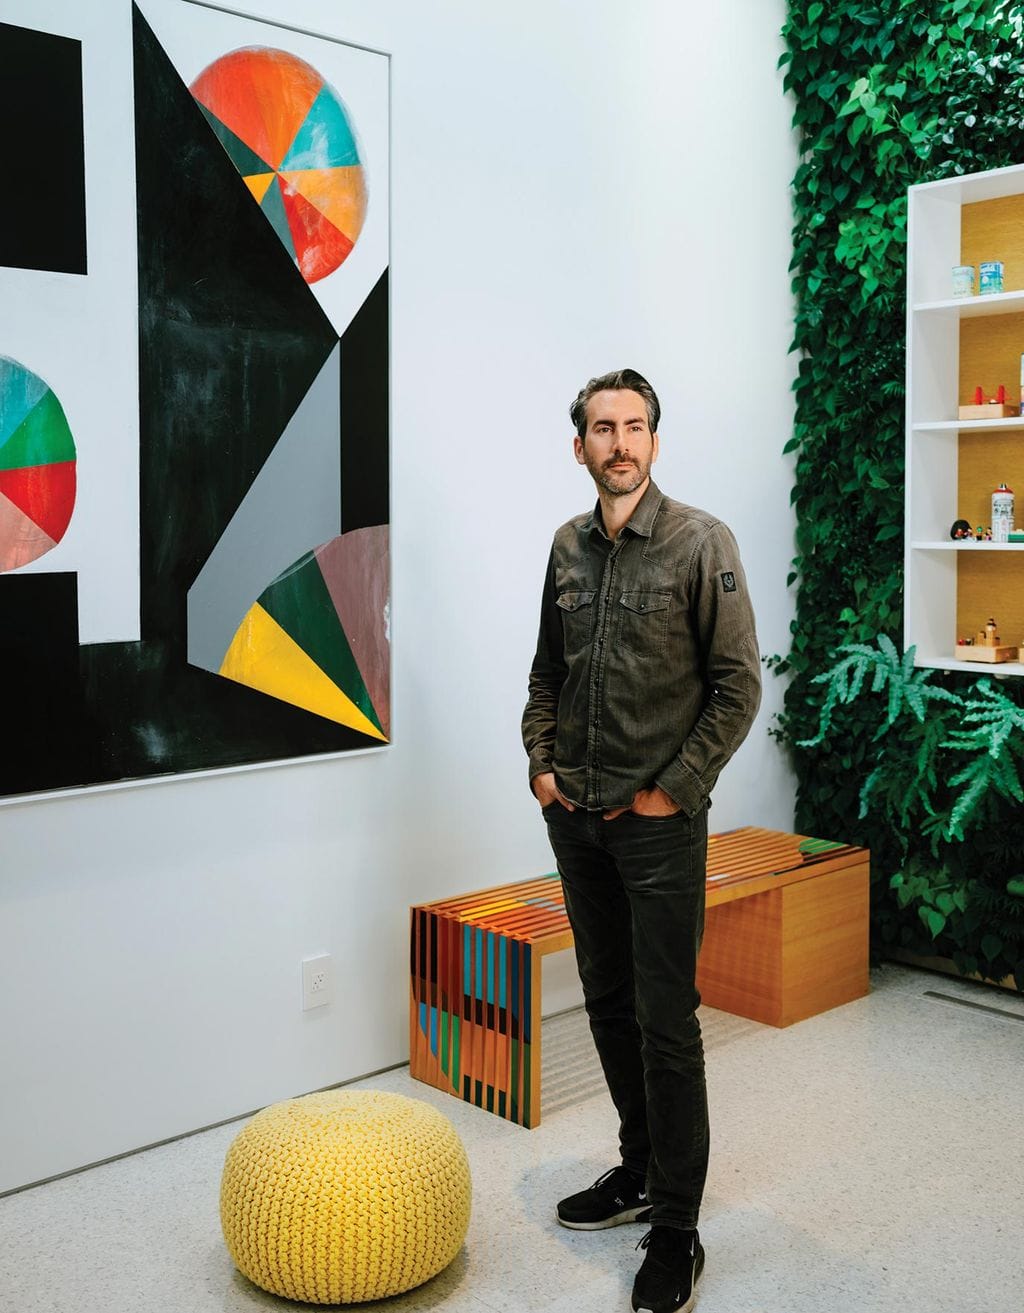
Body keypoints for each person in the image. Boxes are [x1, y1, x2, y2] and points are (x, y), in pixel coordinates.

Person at [522, 368, 761, 1313]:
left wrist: (674, 790)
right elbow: (547, 671)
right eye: (601, 428)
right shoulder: (565, 548)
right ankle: (637, 1169)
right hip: (575, 820)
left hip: (660, 831)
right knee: (608, 1005)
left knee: (669, 1025)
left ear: (655, 440)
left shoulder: (704, 544)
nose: (618, 442)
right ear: (577, 444)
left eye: (634, 426)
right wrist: (541, 764)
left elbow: (739, 686)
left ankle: (677, 1229)